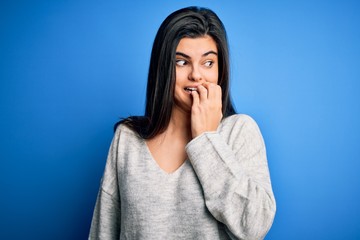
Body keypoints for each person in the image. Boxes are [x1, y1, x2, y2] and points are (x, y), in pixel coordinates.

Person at [89, 6, 276, 240]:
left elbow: (254, 226)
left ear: (221, 69)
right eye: (181, 62)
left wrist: (206, 139)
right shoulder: (128, 139)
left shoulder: (239, 132)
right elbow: (102, 232)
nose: (196, 75)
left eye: (208, 63)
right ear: (163, 68)